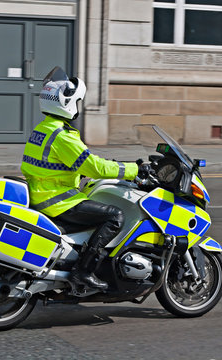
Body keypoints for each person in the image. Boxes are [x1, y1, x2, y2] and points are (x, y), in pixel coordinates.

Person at [21, 66, 139, 291]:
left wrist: (79, 170)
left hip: (41, 193)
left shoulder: (43, 129)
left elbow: (57, 164)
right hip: (58, 201)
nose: (78, 107)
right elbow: (96, 168)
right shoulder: (62, 136)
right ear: (67, 103)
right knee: (115, 216)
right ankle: (83, 272)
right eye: (78, 101)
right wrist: (134, 169)